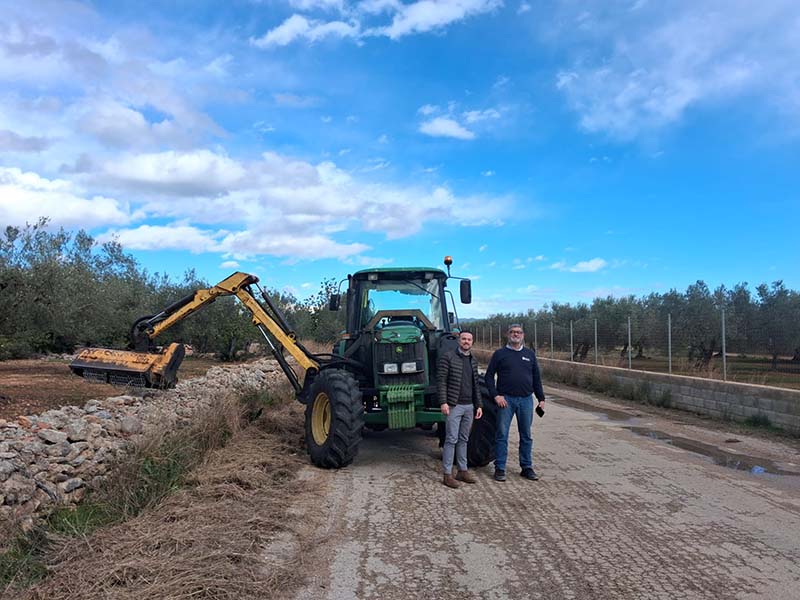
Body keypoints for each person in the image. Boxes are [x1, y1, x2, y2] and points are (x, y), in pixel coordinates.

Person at [484, 323, 545, 482]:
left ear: (523, 335)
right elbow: (489, 377)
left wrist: (541, 398)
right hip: (506, 401)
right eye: (512, 332)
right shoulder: (500, 354)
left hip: (526, 400)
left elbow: (536, 378)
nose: (515, 334)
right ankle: (500, 468)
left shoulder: (530, 354)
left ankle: (526, 467)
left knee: (526, 435)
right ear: (508, 334)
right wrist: (496, 396)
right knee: (501, 435)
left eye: (518, 332)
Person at [436, 330, 483, 489]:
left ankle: (462, 470)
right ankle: (447, 474)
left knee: (464, 439)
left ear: (472, 342)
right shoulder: (448, 357)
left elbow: (476, 385)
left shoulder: (473, 360)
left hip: (469, 406)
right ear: (458, 340)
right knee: (451, 439)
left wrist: (479, 405)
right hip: (454, 405)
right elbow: (441, 381)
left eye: (469, 339)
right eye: (464, 339)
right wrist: (443, 402)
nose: (466, 341)